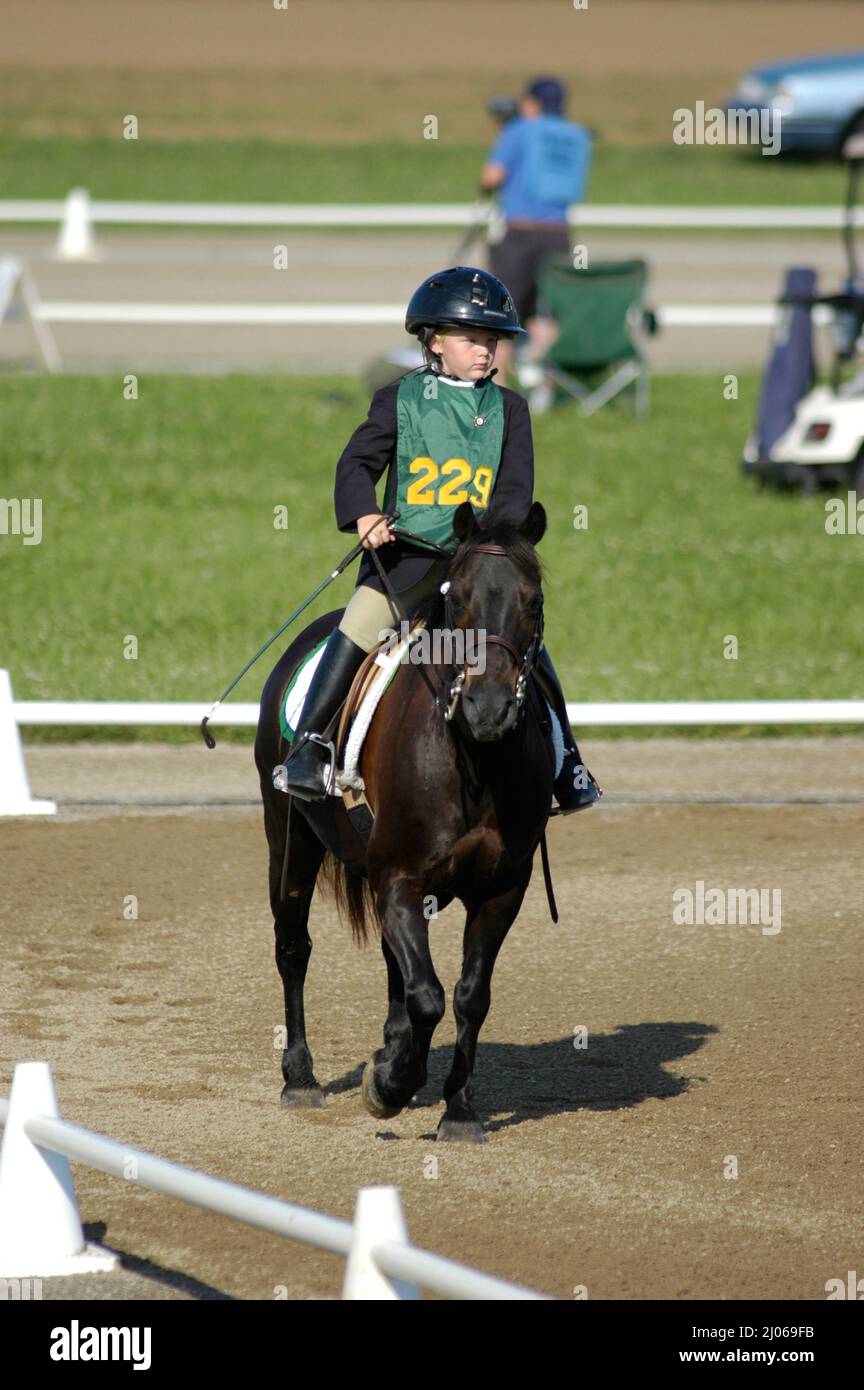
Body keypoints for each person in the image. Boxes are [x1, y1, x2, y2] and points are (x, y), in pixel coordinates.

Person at [271, 265, 601, 815]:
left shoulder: (510, 410)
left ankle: (567, 765)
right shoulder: (397, 399)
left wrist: (490, 544)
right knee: (356, 628)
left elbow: (516, 493)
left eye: (492, 341)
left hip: (477, 568)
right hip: (403, 562)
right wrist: (364, 514)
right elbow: (356, 463)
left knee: (530, 651)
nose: (485, 351)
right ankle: (310, 749)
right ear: (435, 342)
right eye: (472, 339)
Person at [480, 76, 592, 386]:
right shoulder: (576, 136)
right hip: (559, 232)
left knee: (502, 311)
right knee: (547, 310)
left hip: (519, 232)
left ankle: (496, 385)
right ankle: (542, 377)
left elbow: (491, 177)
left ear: (531, 102)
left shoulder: (520, 130)